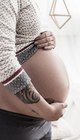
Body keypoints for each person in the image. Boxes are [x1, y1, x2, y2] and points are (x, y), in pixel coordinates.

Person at [0, 0, 69, 140]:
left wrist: (45, 36)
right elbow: (3, 60)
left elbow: (20, 36)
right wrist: (47, 110)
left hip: (40, 119)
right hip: (16, 122)